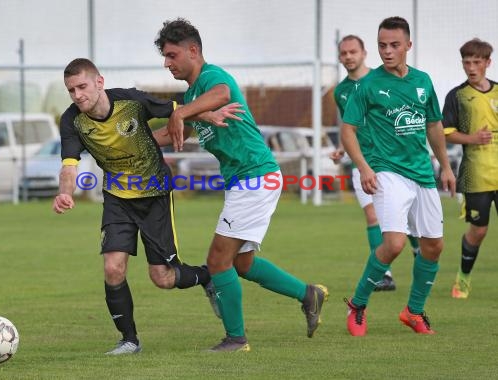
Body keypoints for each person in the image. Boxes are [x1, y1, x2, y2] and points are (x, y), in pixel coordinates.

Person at [154, 18, 328, 352]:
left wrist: (182, 112)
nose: (167, 63)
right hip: (245, 181)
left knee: (218, 260)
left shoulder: (212, 78)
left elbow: (221, 94)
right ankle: (309, 294)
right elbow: (173, 134)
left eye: (173, 55)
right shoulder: (192, 94)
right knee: (241, 264)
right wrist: (128, 142)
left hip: (255, 177)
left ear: (193, 50)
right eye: (165, 57)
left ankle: (236, 339)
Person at [53, 58, 237, 355]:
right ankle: (129, 340)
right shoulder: (72, 121)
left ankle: (206, 277)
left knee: (162, 277)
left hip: (154, 196)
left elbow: (179, 112)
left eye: (82, 87)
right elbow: (69, 165)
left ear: (99, 82)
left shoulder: (132, 100)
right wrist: (65, 193)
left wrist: (210, 114)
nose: (77, 95)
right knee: (113, 268)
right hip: (117, 199)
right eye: (71, 90)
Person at [341, 16, 455, 336]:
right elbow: (348, 129)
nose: (387, 51)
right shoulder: (368, 85)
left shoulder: (423, 81)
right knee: (393, 244)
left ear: (408, 45)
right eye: (381, 45)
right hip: (387, 172)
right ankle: (358, 303)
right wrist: (364, 167)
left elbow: (433, 124)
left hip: (422, 173)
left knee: (434, 247)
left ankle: (413, 312)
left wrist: (445, 166)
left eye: (393, 45)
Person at [331, 35, 423, 291]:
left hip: (394, 162)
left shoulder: (383, 80)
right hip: (364, 164)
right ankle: (385, 275)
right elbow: (352, 126)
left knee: (407, 220)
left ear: (363, 53)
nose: (348, 57)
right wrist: (342, 148)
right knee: (372, 216)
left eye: (353, 52)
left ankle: (419, 252)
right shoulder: (341, 92)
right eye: (344, 53)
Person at [442, 38, 498, 299]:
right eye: (467, 62)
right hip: (477, 176)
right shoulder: (457, 95)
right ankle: (463, 279)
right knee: (479, 230)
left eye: (477, 62)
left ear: (488, 63)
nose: (471, 67)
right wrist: (472, 139)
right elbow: (447, 133)